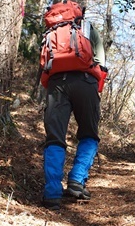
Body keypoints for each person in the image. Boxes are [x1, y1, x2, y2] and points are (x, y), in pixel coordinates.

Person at [42, 18, 107, 211]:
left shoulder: (51, 29)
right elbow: (101, 60)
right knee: (89, 134)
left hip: (57, 84)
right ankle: (77, 181)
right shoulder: (87, 27)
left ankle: (52, 194)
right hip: (86, 82)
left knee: (55, 138)